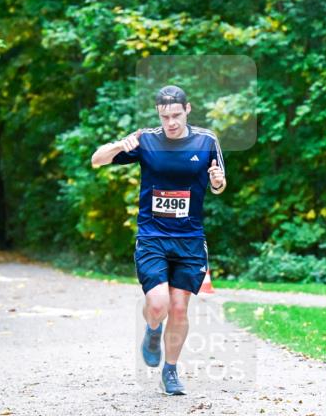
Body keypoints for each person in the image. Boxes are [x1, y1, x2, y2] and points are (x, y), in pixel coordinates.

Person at [90, 85, 227, 395]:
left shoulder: (206, 141)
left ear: (188, 109)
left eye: (176, 115)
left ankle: (171, 371)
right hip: (152, 236)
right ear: (158, 114)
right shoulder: (147, 140)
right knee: (158, 304)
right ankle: (153, 330)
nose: (171, 122)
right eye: (165, 117)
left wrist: (217, 182)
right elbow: (97, 160)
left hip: (190, 239)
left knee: (179, 308)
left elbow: (219, 183)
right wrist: (118, 145)